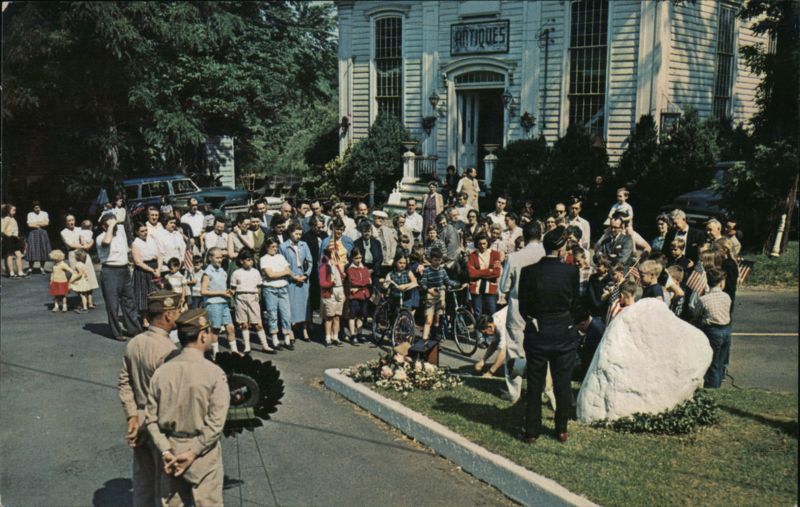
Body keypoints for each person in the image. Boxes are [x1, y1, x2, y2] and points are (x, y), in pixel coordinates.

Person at [144, 308, 230, 507]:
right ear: (202, 336)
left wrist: (165, 451)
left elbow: (151, 420)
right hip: (203, 454)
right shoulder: (214, 374)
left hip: (170, 453)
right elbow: (216, 424)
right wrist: (193, 452)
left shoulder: (161, 372)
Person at [117, 290, 180, 507]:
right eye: (178, 310)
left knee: (143, 482)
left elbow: (124, 383)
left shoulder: (134, 342)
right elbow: (171, 395)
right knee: (168, 489)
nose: (180, 314)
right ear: (169, 315)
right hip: (162, 423)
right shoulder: (170, 350)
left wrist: (132, 416)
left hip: (141, 418)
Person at [518, 226, 579, 444]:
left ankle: (532, 430)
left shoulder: (529, 272)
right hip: (563, 332)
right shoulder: (571, 272)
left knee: (535, 383)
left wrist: (533, 319)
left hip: (539, 332)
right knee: (563, 382)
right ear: (561, 247)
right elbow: (575, 305)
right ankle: (561, 429)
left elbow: (523, 307)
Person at [498, 221, 545, 401]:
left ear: (524, 237)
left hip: (518, 306)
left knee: (515, 349)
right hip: (540, 307)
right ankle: (540, 390)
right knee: (539, 350)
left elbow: (503, 286)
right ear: (540, 235)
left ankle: (513, 392)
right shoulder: (545, 254)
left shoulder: (514, 257)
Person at [97, 215, 142, 341]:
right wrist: (110, 225)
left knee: (129, 302)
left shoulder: (120, 235)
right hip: (110, 271)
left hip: (124, 270)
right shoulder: (101, 237)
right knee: (113, 304)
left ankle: (134, 329)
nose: (114, 226)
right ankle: (117, 332)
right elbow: (106, 243)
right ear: (104, 226)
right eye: (110, 224)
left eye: (115, 224)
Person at [230, 248, 272, 354]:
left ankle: (265, 346)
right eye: (248, 260)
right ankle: (247, 346)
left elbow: (259, 286)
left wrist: (258, 296)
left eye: (251, 260)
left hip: (253, 298)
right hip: (240, 299)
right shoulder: (236, 273)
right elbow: (233, 289)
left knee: (258, 323)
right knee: (244, 324)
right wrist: (231, 299)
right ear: (241, 261)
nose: (251, 262)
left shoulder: (256, 272)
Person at [697, 267, 732, 388]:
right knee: (721, 359)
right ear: (721, 283)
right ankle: (719, 382)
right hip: (726, 329)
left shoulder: (703, 299)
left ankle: (713, 386)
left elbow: (697, 314)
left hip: (712, 330)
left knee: (713, 363)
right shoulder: (727, 297)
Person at [260, 238, 294, 351]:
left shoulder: (280, 257)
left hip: (283, 288)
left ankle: (287, 339)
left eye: (276, 246)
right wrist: (283, 273)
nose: (275, 249)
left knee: (286, 314)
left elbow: (288, 270)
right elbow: (270, 275)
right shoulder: (264, 259)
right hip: (270, 289)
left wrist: (280, 273)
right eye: (272, 247)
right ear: (267, 247)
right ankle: (274, 339)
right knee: (272, 314)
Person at [200, 247, 236, 355]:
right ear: (210, 258)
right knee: (215, 329)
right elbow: (203, 291)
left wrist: (227, 291)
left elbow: (221, 288)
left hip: (223, 302)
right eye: (217, 258)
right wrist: (220, 293)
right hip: (213, 304)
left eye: (221, 257)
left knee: (230, 328)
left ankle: (234, 353)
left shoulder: (222, 271)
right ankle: (216, 354)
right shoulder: (207, 273)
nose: (220, 260)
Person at [280, 223, 313, 341]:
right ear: (290, 233)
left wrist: (306, 274)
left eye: (300, 234)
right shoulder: (283, 247)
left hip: (303, 279)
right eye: (296, 234)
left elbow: (309, 261)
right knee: (291, 305)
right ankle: (291, 330)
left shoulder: (304, 245)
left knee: (305, 305)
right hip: (291, 279)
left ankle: (304, 330)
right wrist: (294, 277)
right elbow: (283, 265)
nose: (298, 236)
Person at [131, 223, 162, 326]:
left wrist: (158, 269)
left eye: (146, 230)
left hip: (155, 267)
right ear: (136, 232)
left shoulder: (152, 240)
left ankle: (155, 317)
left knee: (155, 294)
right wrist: (152, 271)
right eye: (142, 231)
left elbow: (159, 255)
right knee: (143, 295)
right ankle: (145, 319)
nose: (145, 233)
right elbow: (138, 262)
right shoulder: (135, 243)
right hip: (143, 270)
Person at [418, 248, 451, 341]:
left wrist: (454, 285)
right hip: (430, 297)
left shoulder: (442, 271)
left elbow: (447, 281)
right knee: (429, 319)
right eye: (435, 260)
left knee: (437, 319)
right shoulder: (427, 270)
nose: (437, 262)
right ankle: (424, 339)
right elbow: (423, 283)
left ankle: (434, 339)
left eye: (439, 260)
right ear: (431, 260)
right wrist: (428, 289)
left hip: (440, 296)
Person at [468, 233, 502, 317]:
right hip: (476, 287)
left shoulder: (495, 254)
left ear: (488, 243)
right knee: (477, 313)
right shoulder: (472, 255)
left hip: (490, 286)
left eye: (484, 243)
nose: (482, 246)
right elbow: (471, 273)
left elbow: (497, 272)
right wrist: (489, 271)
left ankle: (492, 329)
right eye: (480, 244)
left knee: (492, 311)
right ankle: (478, 329)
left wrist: (479, 272)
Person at [302, 215, 327, 329]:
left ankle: (324, 321)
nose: (320, 229)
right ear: (312, 225)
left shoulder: (324, 235)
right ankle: (310, 321)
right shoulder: (306, 237)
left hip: (324, 270)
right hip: (312, 271)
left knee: (324, 297)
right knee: (312, 297)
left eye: (321, 227)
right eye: (317, 227)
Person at [319, 242, 345, 346]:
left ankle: (335, 337)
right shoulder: (324, 266)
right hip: (330, 292)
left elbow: (341, 280)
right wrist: (331, 283)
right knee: (329, 317)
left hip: (339, 290)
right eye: (334, 252)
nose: (336, 254)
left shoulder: (337, 266)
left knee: (337, 316)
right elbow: (322, 283)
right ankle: (328, 337)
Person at [346, 248, 371, 345]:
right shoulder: (350, 269)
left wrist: (359, 286)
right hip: (354, 296)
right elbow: (353, 281)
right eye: (356, 258)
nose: (359, 260)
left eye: (360, 257)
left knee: (361, 315)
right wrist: (363, 284)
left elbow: (367, 280)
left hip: (363, 295)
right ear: (352, 258)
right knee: (352, 315)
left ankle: (360, 334)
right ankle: (353, 335)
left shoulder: (364, 268)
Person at [475, 312, 508, 378]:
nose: (485, 336)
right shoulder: (492, 321)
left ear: (490, 327)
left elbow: (504, 352)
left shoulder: (501, 326)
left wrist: (490, 372)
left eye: (485, 333)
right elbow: (494, 344)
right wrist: (482, 361)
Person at [352, 220, 383, 289]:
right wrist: (365, 271)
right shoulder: (356, 243)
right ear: (361, 232)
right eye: (365, 231)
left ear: (371, 231)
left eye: (368, 231)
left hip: (374, 270)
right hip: (362, 270)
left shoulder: (376, 243)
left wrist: (372, 270)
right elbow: (355, 258)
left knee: (377, 290)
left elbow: (380, 258)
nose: (367, 233)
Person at [26, 201, 52, 274]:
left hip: (42, 233)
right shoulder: (30, 214)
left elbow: (46, 223)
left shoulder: (44, 213)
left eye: (38, 207)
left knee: (43, 249)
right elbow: (29, 225)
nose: (37, 209)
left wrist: (35, 223)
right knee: (32, 249)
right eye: (35, 208)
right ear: (33, 208)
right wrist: (41, 223)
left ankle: (42, 268)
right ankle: (30, 268)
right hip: (33, 233)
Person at [2, 204, 26, 278]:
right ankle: (11, 273)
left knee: (19, 255)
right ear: (8, 210)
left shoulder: (13, 219)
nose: (15, 211)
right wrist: (9, 235)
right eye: (13, 210)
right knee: (9, 255)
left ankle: (20, 272)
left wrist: (17, 237)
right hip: (9, 239)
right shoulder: (6, 218)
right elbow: (2, 230)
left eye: (15, 210)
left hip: (15, 239)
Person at [372, 211, 396, 277]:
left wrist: (391, 258)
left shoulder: (388, 230)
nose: (381, 220)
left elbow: (393, 245)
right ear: (374, 218)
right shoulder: (370, 229)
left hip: (387, 262)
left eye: (383, 218)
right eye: (379, 218)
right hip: (375, 263)